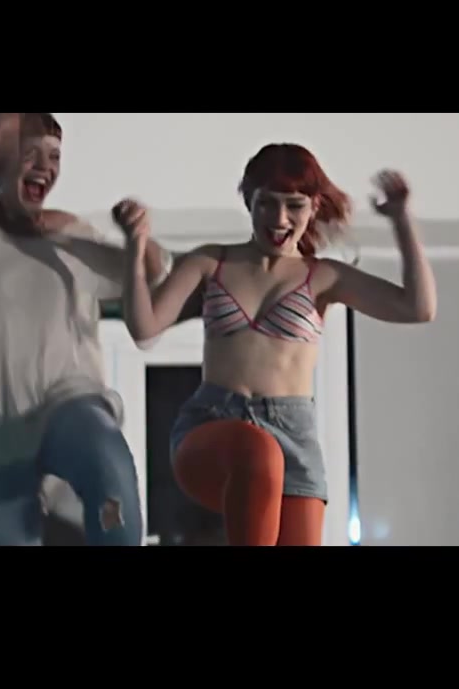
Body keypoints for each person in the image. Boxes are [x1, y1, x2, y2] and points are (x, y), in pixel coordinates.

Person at [116, 142, 437, 546]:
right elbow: (144, 328)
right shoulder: (211, 262)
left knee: (269, 463)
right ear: (248, 200)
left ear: (313, 206)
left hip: (293, 437)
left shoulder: (323, 276)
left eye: (294, 205)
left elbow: (418, 307)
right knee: (258, 451)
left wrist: (402, 220)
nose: (279, 218)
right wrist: (135, 245)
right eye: (266, 203)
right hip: (214, 424)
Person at [0, 113, 171, 546]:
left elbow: (154, 272)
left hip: (67, 403)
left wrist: (137, 237)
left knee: (106, 461)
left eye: (54, 156)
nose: (45, 165)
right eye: (30, 153)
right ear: (0, 160)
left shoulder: (69, 237)